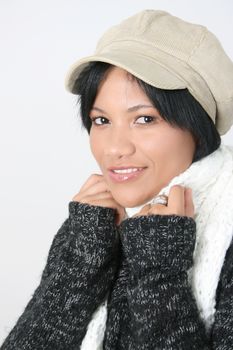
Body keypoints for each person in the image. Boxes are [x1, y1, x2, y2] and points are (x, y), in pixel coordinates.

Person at [1, 9, 233, 350]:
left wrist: (158, 270)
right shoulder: (96, 222)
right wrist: (82, 262)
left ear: (197, 126)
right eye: (101, 120)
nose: (114, 148)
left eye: (144, 119)